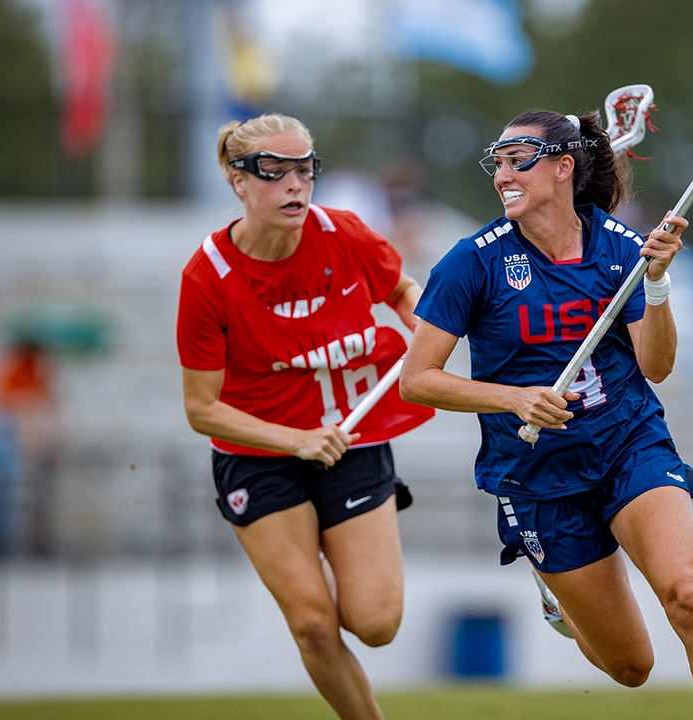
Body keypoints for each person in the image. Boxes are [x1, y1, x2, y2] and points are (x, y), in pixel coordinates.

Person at [400, 110, 693, 719]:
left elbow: (657, 365)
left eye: (520, 162)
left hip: (628, 443)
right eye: (500, 164)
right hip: (537, 475)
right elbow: (417, 380)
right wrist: (514, 398)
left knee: (690, 598)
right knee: (630, 667)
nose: (503, 176)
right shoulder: (472, 262)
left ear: (564, 169)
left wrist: (659, 283)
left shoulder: (622, 248)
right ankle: (559, 601)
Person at [177, 113, 433, 720]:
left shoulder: (342, 232)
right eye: (274, 172)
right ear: (237, 181)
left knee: (375, 624)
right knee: (315, 626)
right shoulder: (207, 277)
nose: (295, 185)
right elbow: (200, 408)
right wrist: (293, 440)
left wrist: (424, 326)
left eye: (305, 170)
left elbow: (400, 289)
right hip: (260, 457)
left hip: (350, 440)